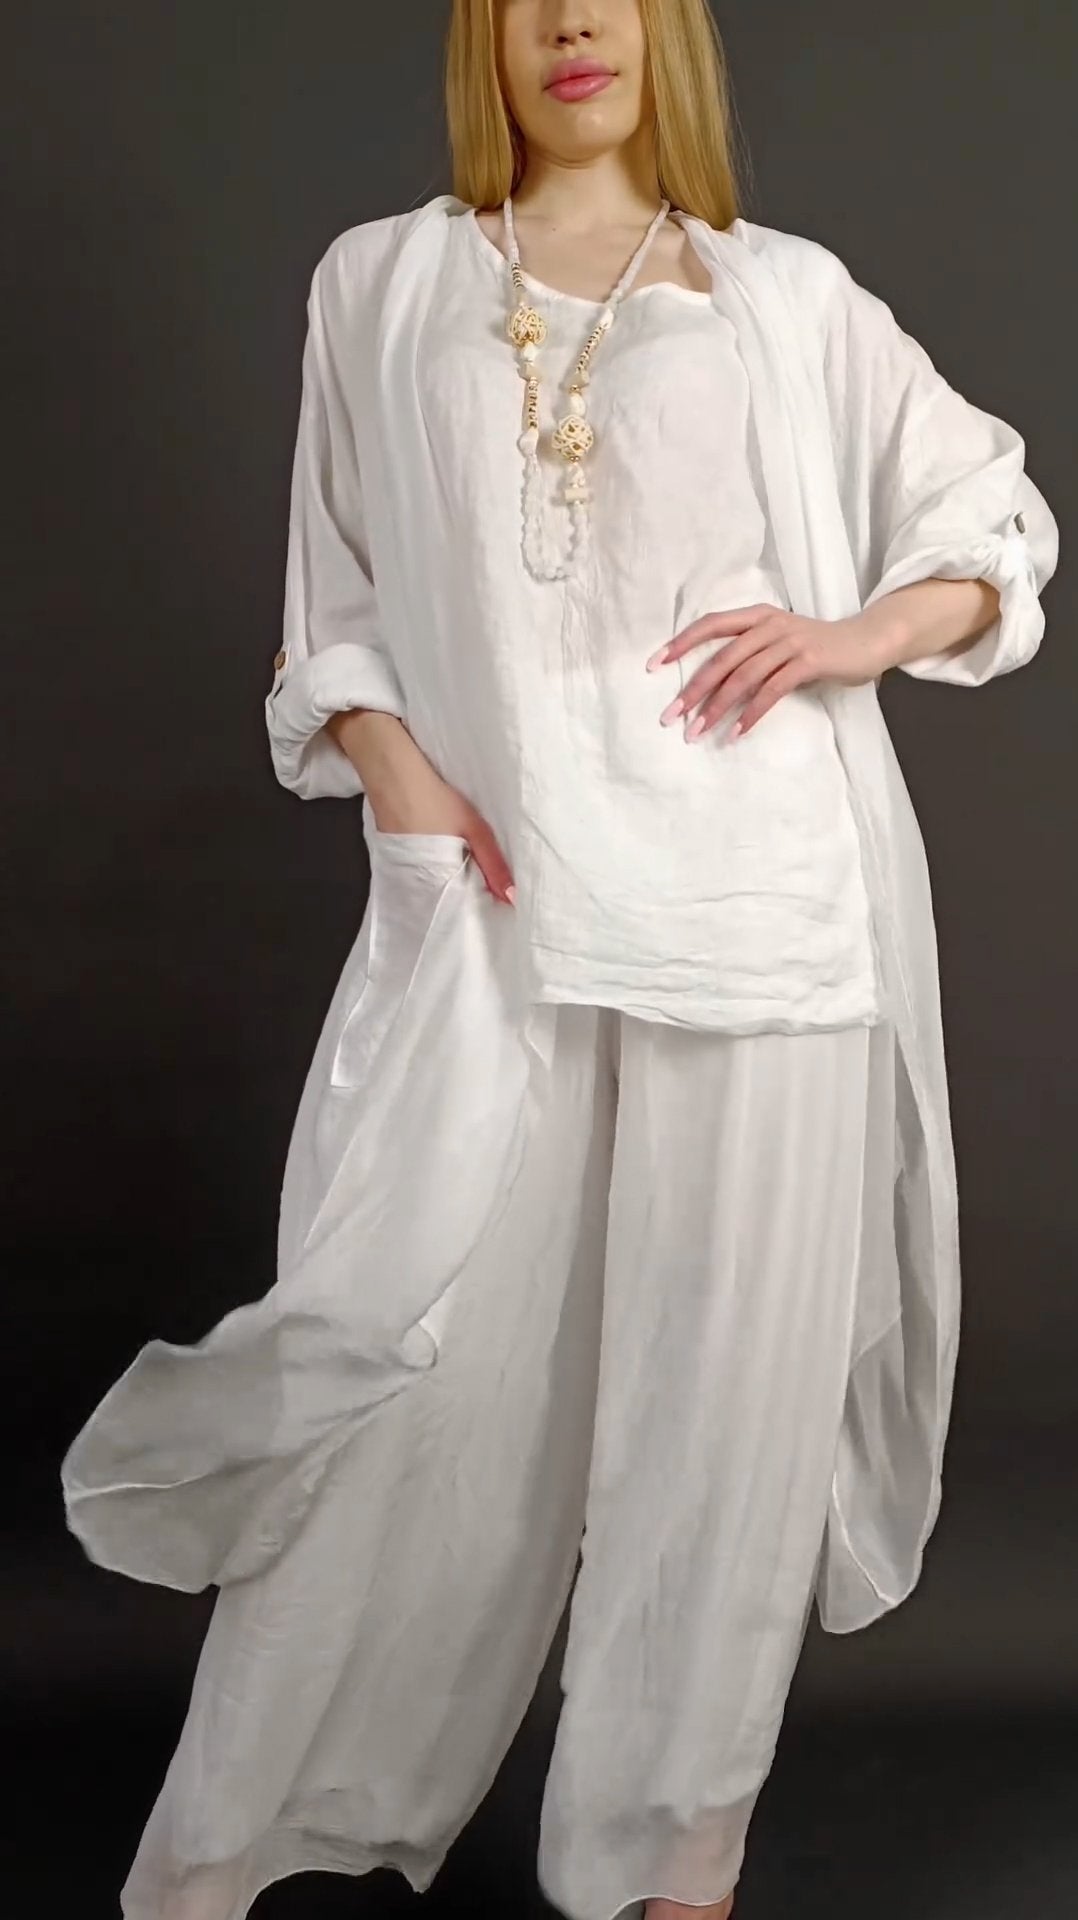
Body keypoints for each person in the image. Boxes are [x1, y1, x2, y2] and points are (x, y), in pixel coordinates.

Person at [60, 3, 1059, 1918]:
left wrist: (848, 635)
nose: (572, 21)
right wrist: (403, 779)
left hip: (763, 927)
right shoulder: (381, 281)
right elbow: (333, 595)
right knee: (413, 1389)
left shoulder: (783, 295)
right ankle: (228, 1855)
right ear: (484, 35)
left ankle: (677, 1872)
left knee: (718, 1431)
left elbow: (991, 524)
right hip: (504, 918)